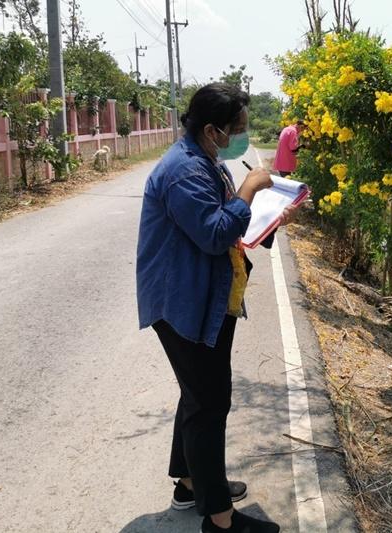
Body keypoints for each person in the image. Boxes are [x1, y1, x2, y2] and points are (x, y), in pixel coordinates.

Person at [137, 83, 293, 533]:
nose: (240, 138)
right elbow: (213, 233)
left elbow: (232, 224)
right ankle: (220, 520)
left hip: (204, 293)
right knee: (208, 403)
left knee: (197, 395)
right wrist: (250, 187)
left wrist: (269, 215)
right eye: (237, 130)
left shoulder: (203, 160)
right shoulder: (184, 171)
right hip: (183, 301)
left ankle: (192, 483)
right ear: (211, 130)